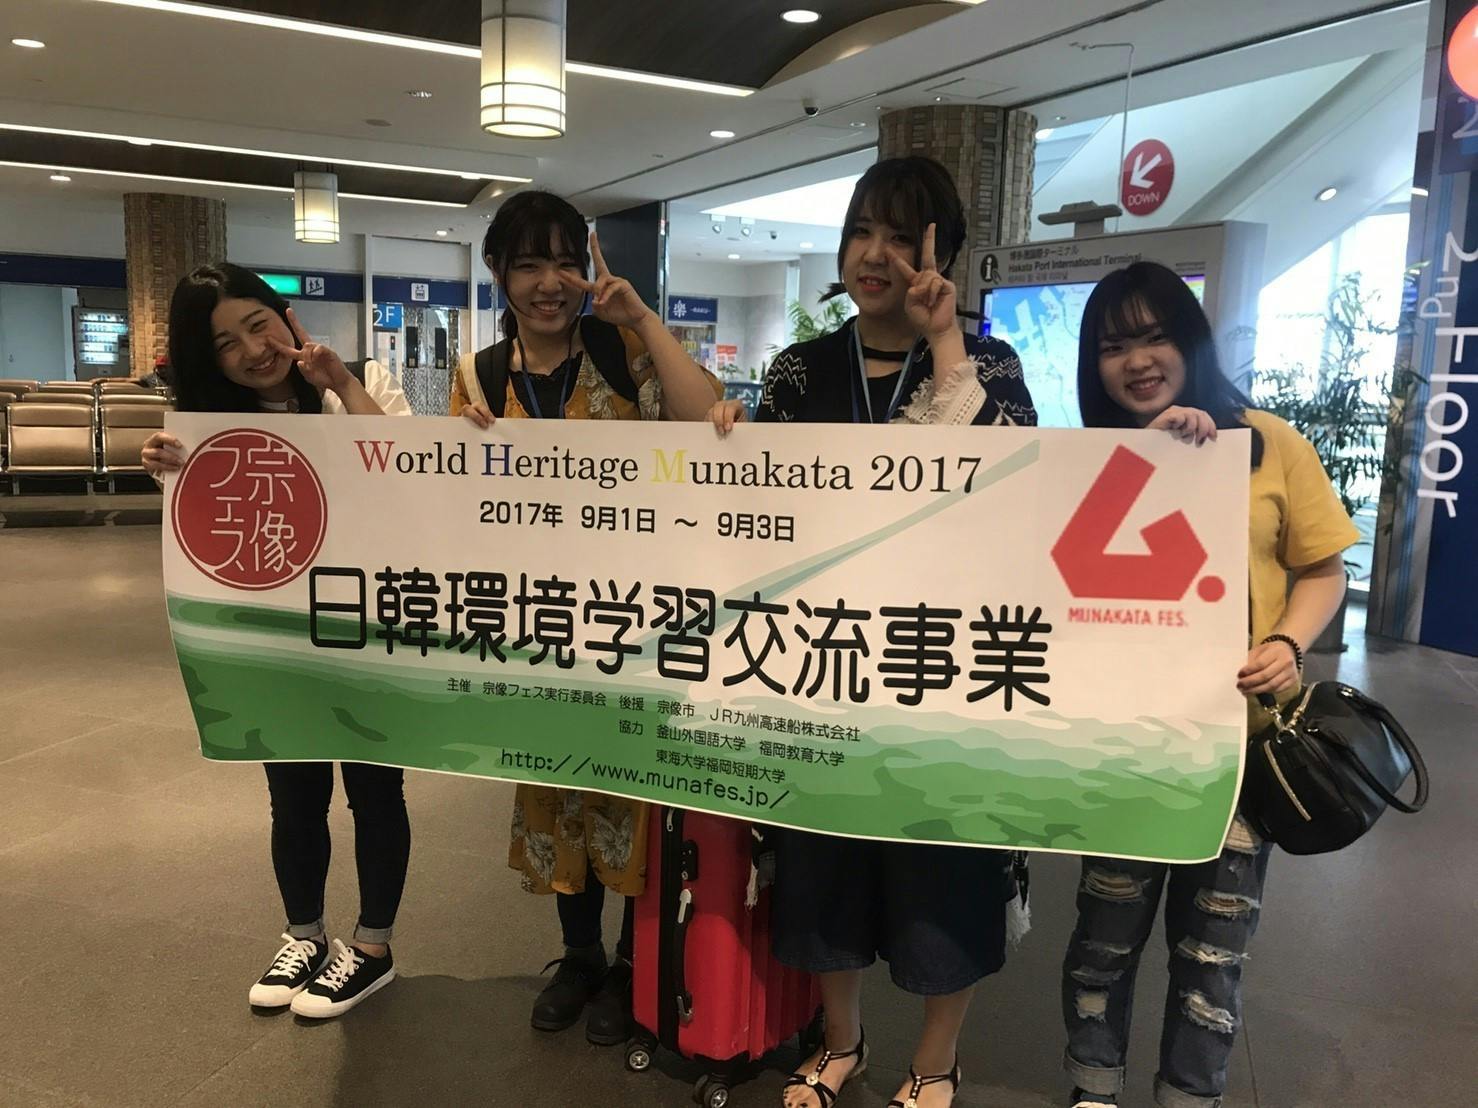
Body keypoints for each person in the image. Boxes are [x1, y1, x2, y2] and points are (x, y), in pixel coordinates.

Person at [707, 155, 1037, 1108]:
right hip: (826, 663)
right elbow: (759, 516)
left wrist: (945, 342)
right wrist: (730, 438)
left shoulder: (987, 365)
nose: (875, 255)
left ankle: (935, 1060)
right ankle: (841, 1042)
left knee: (944, 875)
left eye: (901, 237)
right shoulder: (800, 369)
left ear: (944, 254)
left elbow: (1011, 483)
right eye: (861, 232)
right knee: (825, 870)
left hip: (940, 667)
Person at [1060, 261, 1358, 1108]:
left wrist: (1287, 643)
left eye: (1155, 336)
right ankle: (1092, 1092)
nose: (1137, 360)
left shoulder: (1267, 443)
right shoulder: (1082, 462)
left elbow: (1323, 569)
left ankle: (1190, 1097)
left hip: (1241, 750)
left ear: (1190, 339)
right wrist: (1151, 459)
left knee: (1213, 955)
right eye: (1114, 346)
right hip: (1126, 752)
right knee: (1102, 944)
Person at [454, 189, 723, 1044]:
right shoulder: (479, 375)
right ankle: (579, 956)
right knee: (556, 786)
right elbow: (446, 503)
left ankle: (634, 965)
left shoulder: (621, 352)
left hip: (634, 622)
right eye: (529, 264)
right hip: (539, 628)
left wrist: (640, 317)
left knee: (632, 796)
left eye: (566, 263)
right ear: (498, 272)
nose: (549, 283)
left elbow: (706, 419)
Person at [140, 263, 414, 1019]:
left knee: (375, 790)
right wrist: (166, 468)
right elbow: (206, 535)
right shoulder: (205, 425)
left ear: (284, 316)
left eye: (257, 324)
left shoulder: (361, 381)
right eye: (225, 344)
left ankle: (373, 948)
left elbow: (413, 473)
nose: (252, 351)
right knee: (293, 796)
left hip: (367, 625)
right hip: (277, 638)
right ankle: (305, 937)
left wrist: (340, 384)